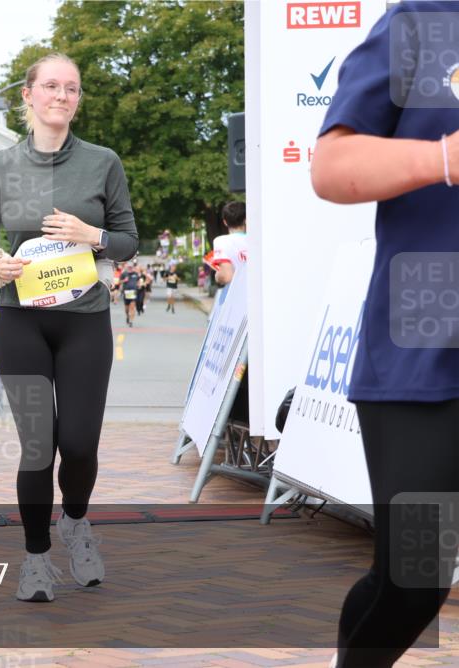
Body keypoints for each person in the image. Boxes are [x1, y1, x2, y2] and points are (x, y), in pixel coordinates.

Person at [310, 3, 459, 666]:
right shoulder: (423, 22)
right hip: (425, 358)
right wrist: (447, 157)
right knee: (414, 578)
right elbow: (332, 167)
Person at [0, 52, 138, 602]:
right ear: (28, 96)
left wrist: (90, 235)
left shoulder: (102, 162)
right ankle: (36, 557)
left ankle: (76, 520)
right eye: (50, 86)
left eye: (71, 88)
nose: (61, 95)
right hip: (21, 320)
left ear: (77, 99)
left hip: (84, 319)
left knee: (81, 444)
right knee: (39, 446)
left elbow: (127, 240)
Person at [208, 201, 248, 286]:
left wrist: (217, 274)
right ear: (245, 220)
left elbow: (226, 276)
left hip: (234, 295)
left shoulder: (221, 241)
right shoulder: (257, 241)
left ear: (225, 222)